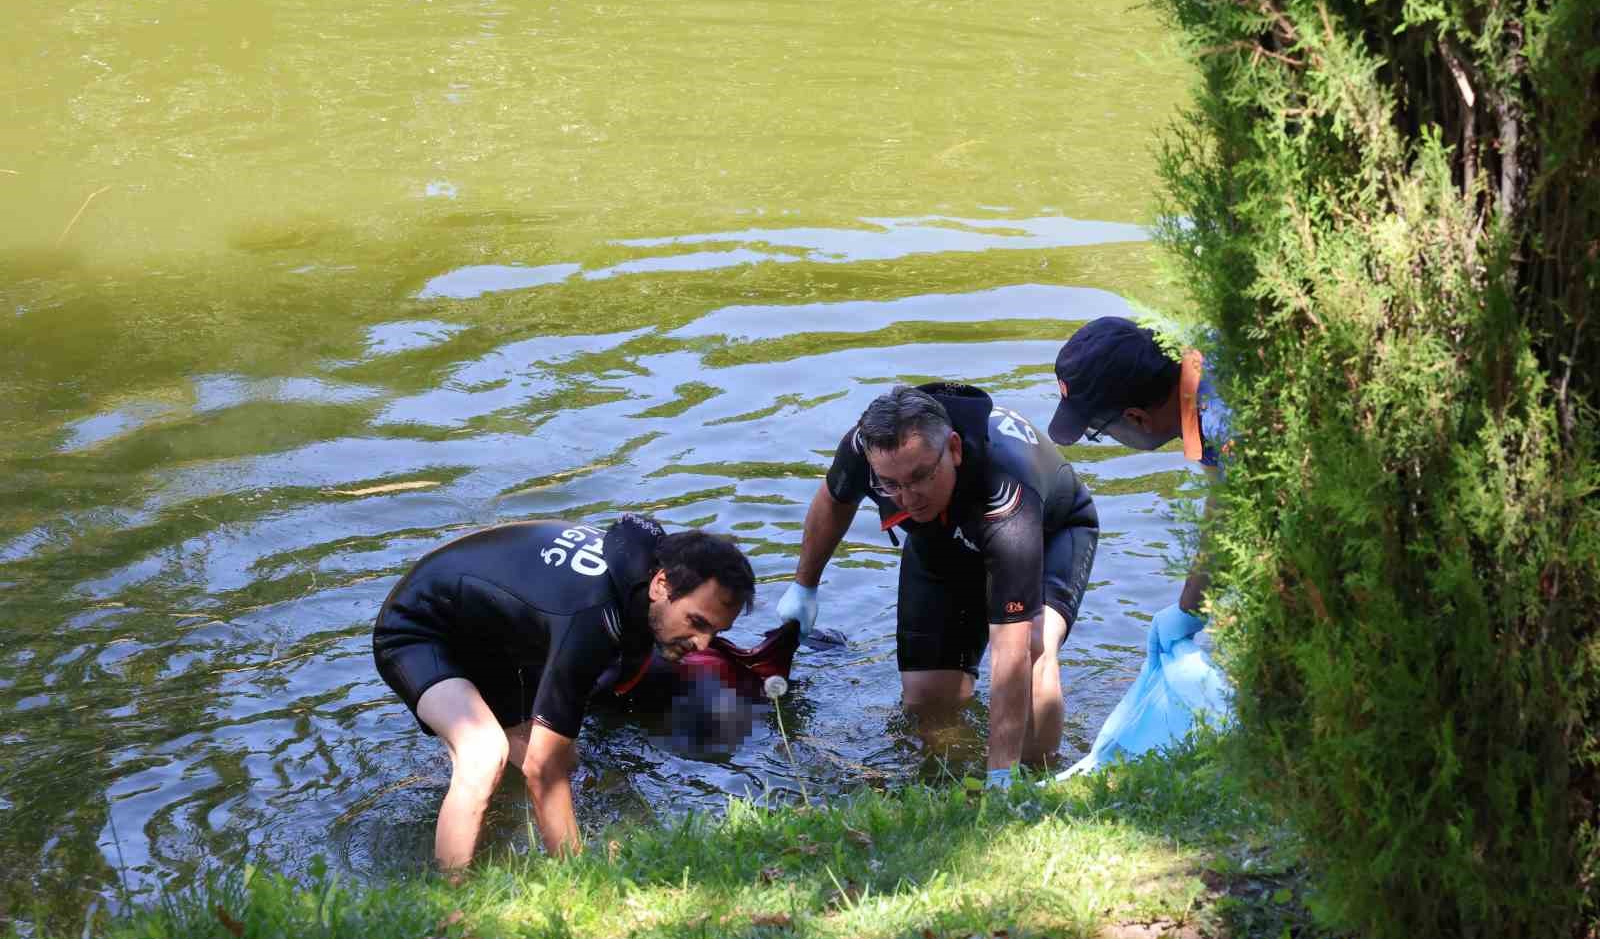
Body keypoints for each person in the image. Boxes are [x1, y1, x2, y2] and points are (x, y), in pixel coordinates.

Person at [373, 513, 755, 868]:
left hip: (491, 637)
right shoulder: (592, 619)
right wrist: (578, 873)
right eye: (696, 622)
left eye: (715, 632)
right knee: (485, 755)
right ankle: (452, 911)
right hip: (418, 630)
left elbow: (552, 763)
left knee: (564, 764)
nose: (703, 645)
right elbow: (544, 772)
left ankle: (471, 807)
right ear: (660, 585)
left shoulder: (646, 571)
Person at [775, 383, 1099, 787]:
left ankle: (1034, 784)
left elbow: (1009, 657)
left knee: (1034, 649)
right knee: (928, 700)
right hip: (944, 541)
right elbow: (834, 500)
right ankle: (943, 784)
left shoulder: (1005, 497)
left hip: (1050, 534)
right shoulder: (866, 447)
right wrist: (804, 586)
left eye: (919, 477)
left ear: (955, 449)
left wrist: (1001, 776)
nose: (907, 498)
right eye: (890, 484)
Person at [1045, 316, 1232, 660]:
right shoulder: (1205, 356)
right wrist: (1189, 609)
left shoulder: (1226, 428)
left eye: (1099, 430)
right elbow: (1225, 502)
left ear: (1136, 418)